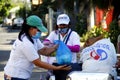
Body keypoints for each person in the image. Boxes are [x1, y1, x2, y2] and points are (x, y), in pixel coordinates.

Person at [4, 15, 71, 80]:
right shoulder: (26, 43)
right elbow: (38, 63)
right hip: (15, 76)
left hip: (20, 75)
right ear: (30, 28)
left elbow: (44, 51)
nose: (40, 32)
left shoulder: (33, 37)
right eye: (39, 30)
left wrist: (56, 47)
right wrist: (57, 68)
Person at [43, 13, 81, 80]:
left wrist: (63, 46)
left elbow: (77, 48)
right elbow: (46, 42)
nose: (62, 27)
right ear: (57, 25)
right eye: (60, 25)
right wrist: (52, 45)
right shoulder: (54, 34)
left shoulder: (73, 34)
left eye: (64, 25)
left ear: (68, 25)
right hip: (56, 64)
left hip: (70, 65)